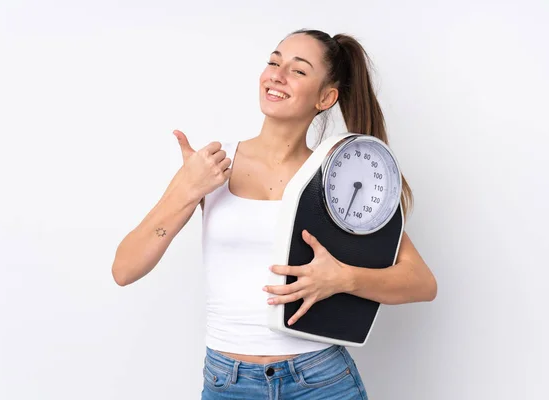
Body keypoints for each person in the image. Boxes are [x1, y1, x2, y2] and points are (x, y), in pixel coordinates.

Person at [111, 28, 437, 400]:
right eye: (273, 62)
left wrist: (342, 278)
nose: (276, 75)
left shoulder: (340, 176)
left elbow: (421, 282)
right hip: (227, 382)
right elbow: (124, 269)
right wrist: (186, 191)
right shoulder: (212, 165)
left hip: (320, 380)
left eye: (298, 71)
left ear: (326, 97)